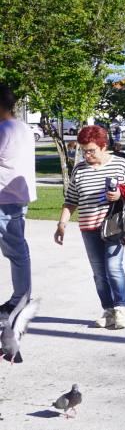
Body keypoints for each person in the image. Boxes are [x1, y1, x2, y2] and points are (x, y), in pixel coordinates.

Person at [54, 125, 125, 330]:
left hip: (114, 227)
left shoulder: (120, 164)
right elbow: (71, 200)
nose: (87, 155)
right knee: (99, 273)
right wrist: (62, 224)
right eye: (83, 151)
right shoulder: (79, 169)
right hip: (88, 228)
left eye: (91, 150)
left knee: (113, 267)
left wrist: (119, 195)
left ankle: (121, 309)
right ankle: (108, 311)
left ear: (103, 146)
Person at [0, 83, 35, 318]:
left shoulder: (3, 130)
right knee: (18, 250)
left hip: (4, 198)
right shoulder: (23, 128)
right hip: (17, 196)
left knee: (16, 251)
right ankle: (20, 298)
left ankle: (20, 300)